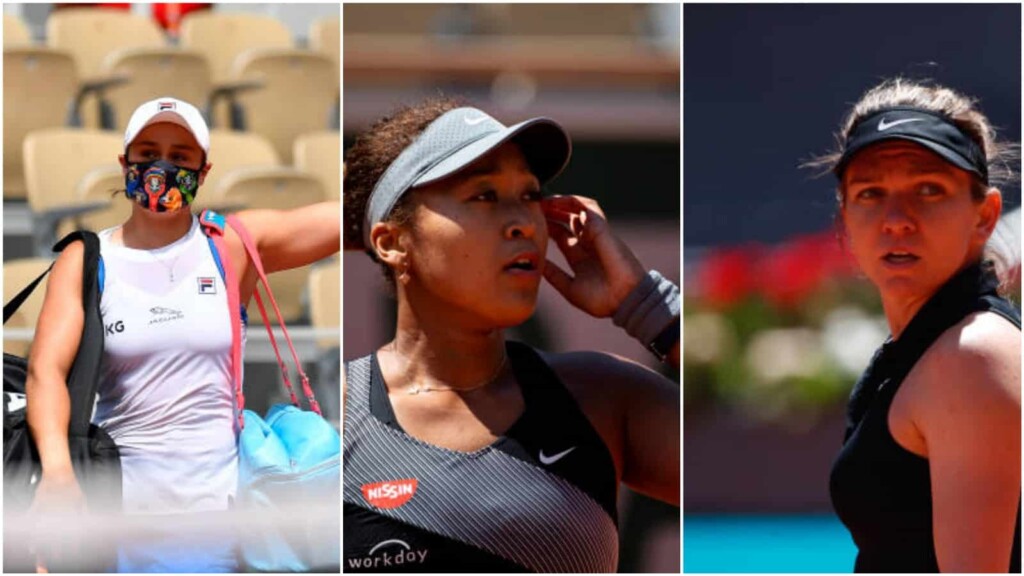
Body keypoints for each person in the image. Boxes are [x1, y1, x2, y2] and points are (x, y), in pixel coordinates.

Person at [342, 98, 680, 572]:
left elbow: (756, 468)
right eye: (484, 195)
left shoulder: (604, 396)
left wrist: (646, 305)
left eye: (529, 195)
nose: (524, 221)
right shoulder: (331, 419)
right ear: (392, 242)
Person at [25, 96, 340, 572]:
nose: (161, 168)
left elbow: (341, 219)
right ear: (124, 162)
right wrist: (58, 474)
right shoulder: (86, 259)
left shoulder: (228, 245)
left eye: (180, 158)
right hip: (118, 520)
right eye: (148, 152)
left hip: (224, 520)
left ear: (203, 170)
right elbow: (45, 372)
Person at [814, 78, 1021, 572]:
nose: (897, 218)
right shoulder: (934, 344)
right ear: (845, 216)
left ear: (985, 215)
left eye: (929, 189)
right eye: (870, 193)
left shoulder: (973, 357)